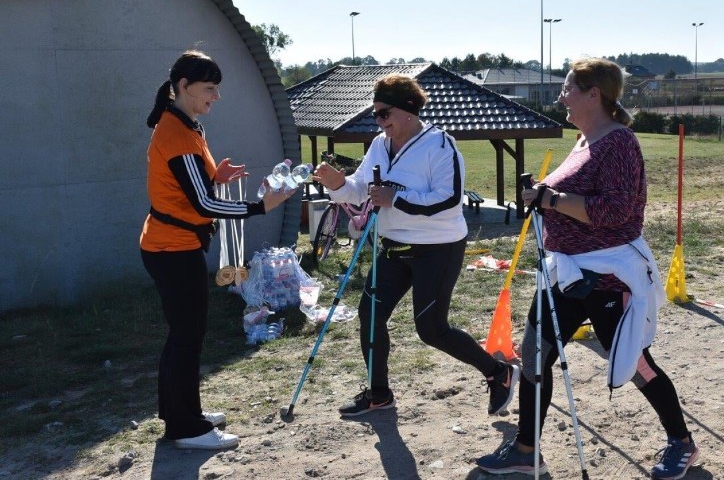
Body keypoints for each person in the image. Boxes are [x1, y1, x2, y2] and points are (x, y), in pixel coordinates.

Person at [476, 58, 699, 479]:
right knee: (535, 354)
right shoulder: (584, 140)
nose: (561, 96)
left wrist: (551, 200)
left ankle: (682, 443)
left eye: (567, 89)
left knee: (635, 362)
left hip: (608, 278)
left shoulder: (618, 143)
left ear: (593, 94)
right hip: (567, 272)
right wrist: (544, 195)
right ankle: (527, 448)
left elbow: (618, 211)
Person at [312, 74, 519, 419]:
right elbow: (361, 188)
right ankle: (379, 394)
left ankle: (499, 373)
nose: (379, 121)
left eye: (384, 113)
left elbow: (450, 200)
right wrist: (338, 184)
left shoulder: (440, 145)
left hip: (437, 247)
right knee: (371, 315)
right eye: (375, 114)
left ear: (408, 110)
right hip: (393, 245)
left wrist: (397, 198)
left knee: (431, 329)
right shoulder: (380, 143)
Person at [140, 50, 293, 450]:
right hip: (171, 249)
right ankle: (186, 428)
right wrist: (261, 206)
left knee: (185, 334)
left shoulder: (188, 126)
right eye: (210, 89)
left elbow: (195, 186)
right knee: (186, 336)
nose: (216, 97)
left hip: (177, 245)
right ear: (184, 87)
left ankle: (181, 412)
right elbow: (204, 206)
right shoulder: (175, 132)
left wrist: (214, 175)